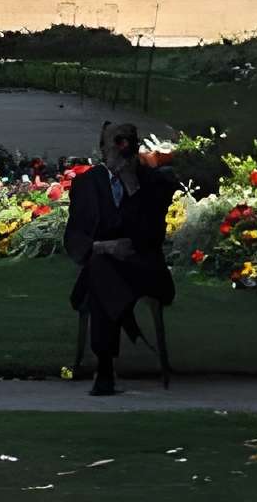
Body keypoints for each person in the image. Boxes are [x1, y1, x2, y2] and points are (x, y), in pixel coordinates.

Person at [63, 120, 175, 394]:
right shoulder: (87, 183)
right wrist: (103, 247)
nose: (118, 149)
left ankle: (105, 369)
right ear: (102, 149)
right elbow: (74, 237)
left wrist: (132, 186)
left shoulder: (155, 182)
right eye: (113, 142)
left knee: (99, 278)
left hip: (143, 267)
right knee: (101, 266)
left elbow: (153, 236)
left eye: (124, 142)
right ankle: (120, 330)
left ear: (135, 146)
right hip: (105, 262)